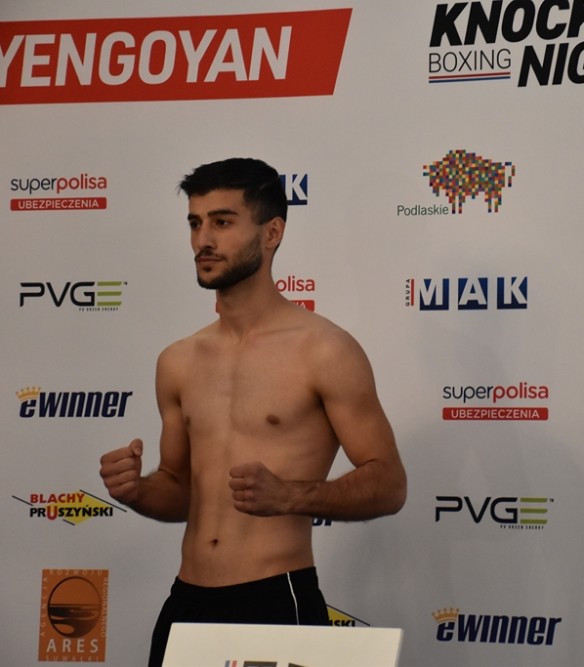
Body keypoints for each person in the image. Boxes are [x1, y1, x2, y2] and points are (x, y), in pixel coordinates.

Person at [98, 157, 406, 667]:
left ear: (272, 233)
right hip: (186, 602)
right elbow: (180, 491)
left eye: (222, 222)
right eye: (195, 223)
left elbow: (390, 483)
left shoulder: (324, 350)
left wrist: (291, 496)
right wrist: (137, 490)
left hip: (276, 599)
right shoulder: (178, 360)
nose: (203, 240)